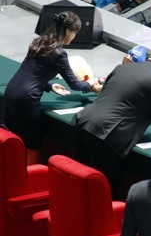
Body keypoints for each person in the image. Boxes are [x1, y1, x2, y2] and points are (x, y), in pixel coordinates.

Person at [73, 44, 151, 197]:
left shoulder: (123, 68)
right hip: (107, 138)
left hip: (83, 124)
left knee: (80, 186)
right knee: (103, 193)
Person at [3, 11, 101, 165]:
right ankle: (31, 183)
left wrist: (48, 85)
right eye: (75, 32)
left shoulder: (39, 42)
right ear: (69, 31)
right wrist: (91, 85)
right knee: (32, 146)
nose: (74, 36)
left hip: (11, 92)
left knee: (10, 140)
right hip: (27, 100)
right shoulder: (59, 53)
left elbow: (30, 72)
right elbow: (75, 84)